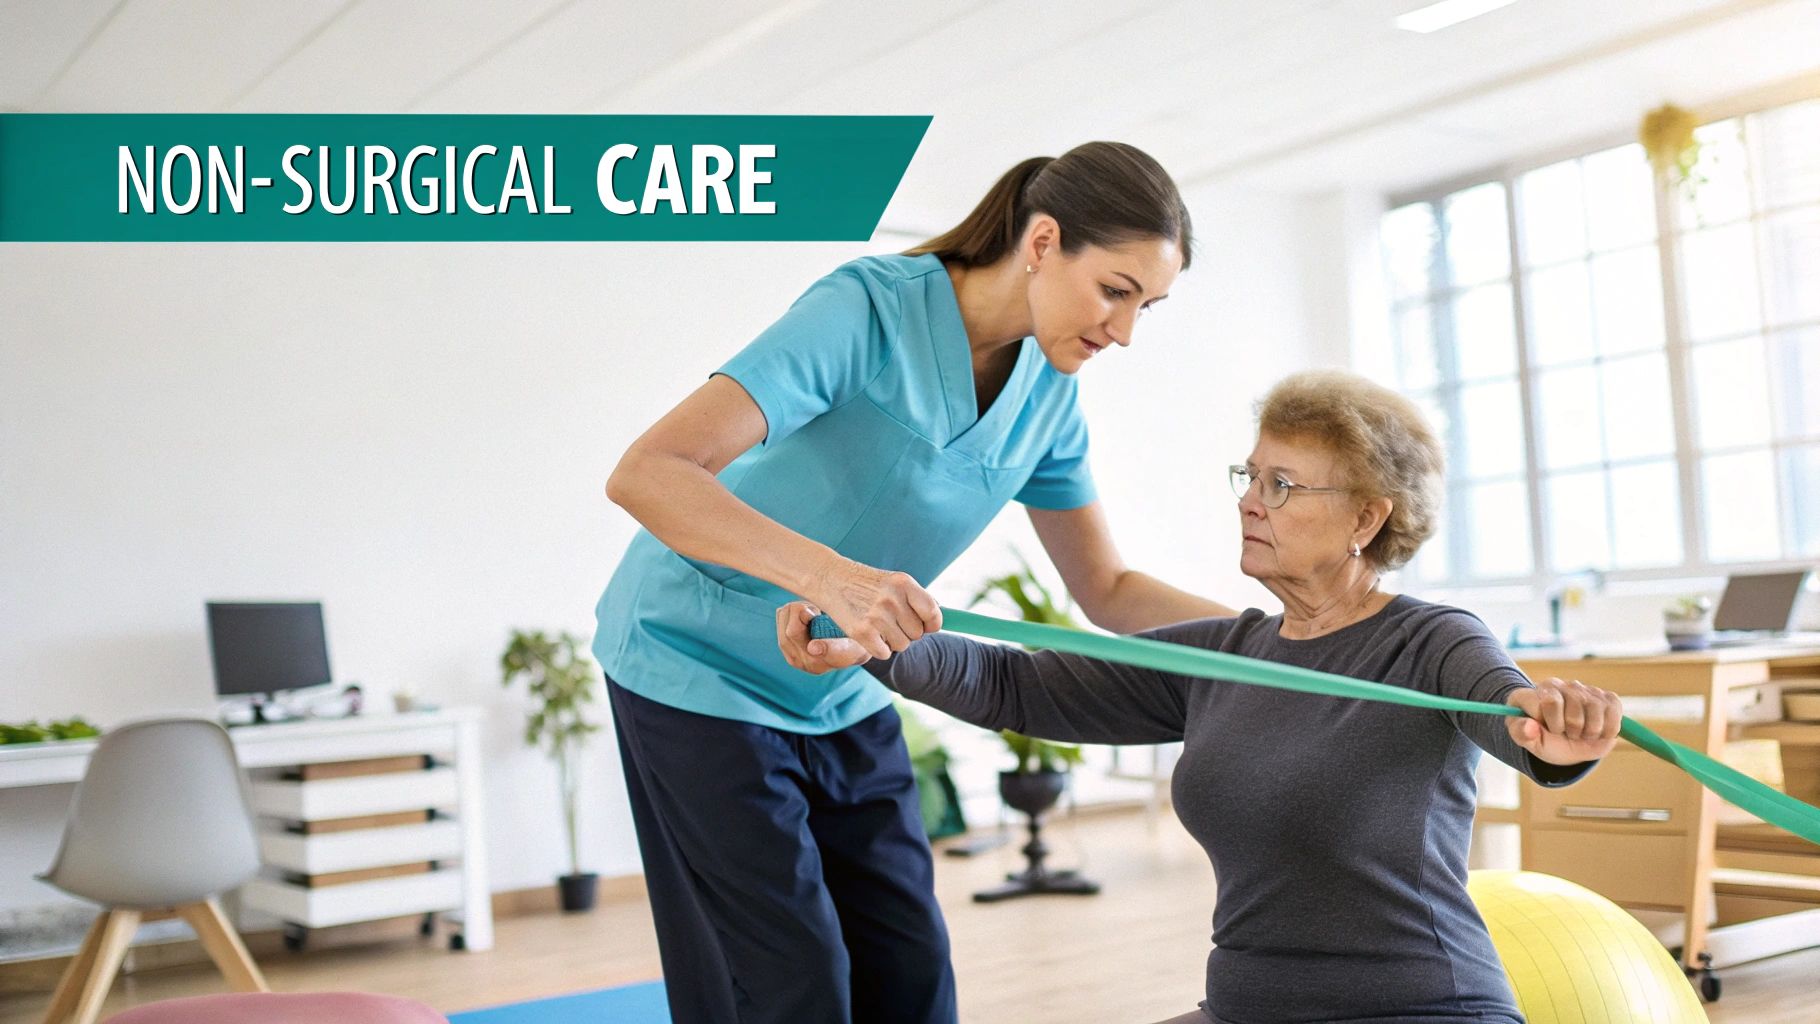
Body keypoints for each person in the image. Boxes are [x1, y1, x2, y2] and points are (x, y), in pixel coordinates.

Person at [597, 142, 1235, 1024]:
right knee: (791, 984)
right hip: (695, 668)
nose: (1122, 330)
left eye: (1146, 307)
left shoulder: (1049, 397)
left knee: (911, 976)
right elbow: (649, 472)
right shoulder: (867, 311)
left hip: (844, 691)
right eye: (1115, 291)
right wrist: (832, 577)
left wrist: (1279, 639)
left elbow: (1110, 589)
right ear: (1043, 242)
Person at [778, 369, 1625, 1024]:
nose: (1251, 504)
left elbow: (1510, 709)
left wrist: (1555, 734)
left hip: (1420, 1008)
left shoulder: (1430, 640)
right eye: (1249, 477)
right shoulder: (1228, 657)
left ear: (1367, 518)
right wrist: (878, 641)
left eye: (1283, 486)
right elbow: (1017, 682)